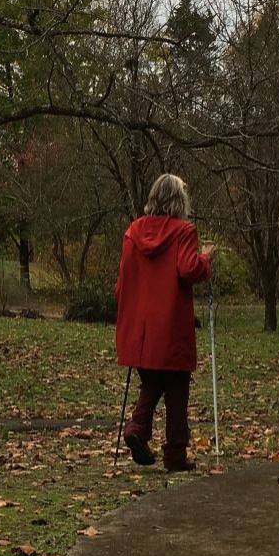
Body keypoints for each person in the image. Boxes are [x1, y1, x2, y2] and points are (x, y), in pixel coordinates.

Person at [114, 174, 215, 472]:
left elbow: (122, 282)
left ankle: (138, 429)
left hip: (139, 327)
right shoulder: (184, 231)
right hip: (169, 323)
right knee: (177, 388)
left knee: (153, 381)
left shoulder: (133, 231)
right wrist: (206, 258)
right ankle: (172, 453)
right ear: (179, 200)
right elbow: (188, 269)